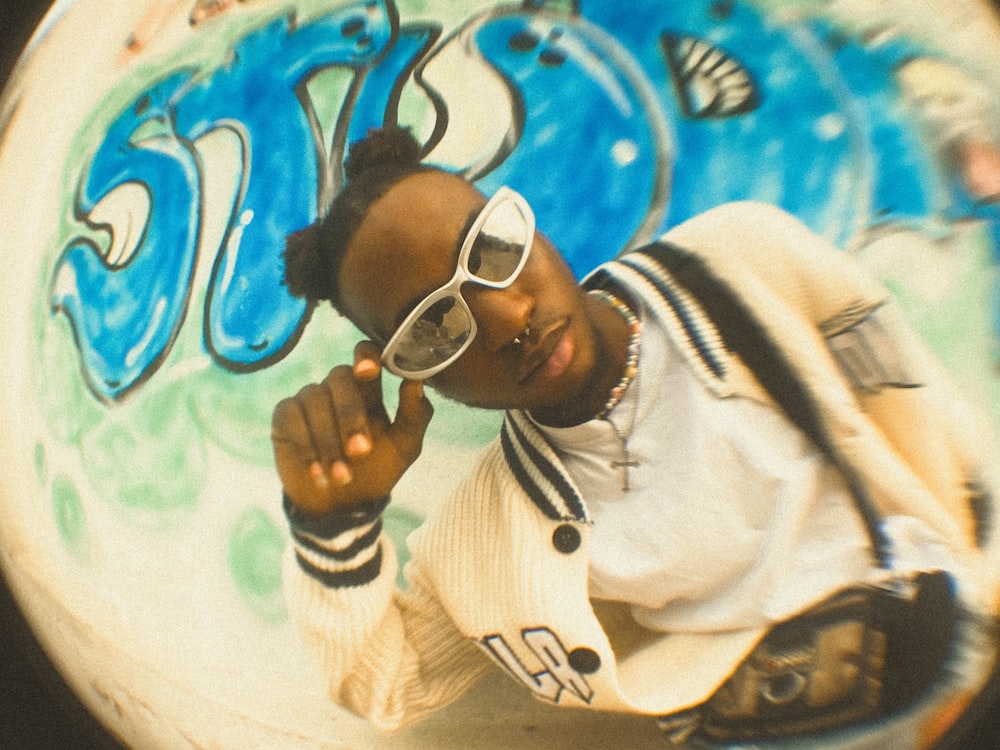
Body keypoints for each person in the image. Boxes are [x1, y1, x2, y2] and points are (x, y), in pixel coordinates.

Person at [271, 126, 1000, 746]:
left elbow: (906, 398)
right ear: (414, 374)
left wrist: (976, 573)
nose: (504, 319)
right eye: (434, 326)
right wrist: (332, 524)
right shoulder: (491, 536)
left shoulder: (740, 265)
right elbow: (390, 680)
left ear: (528, 223)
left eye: (492, 249)